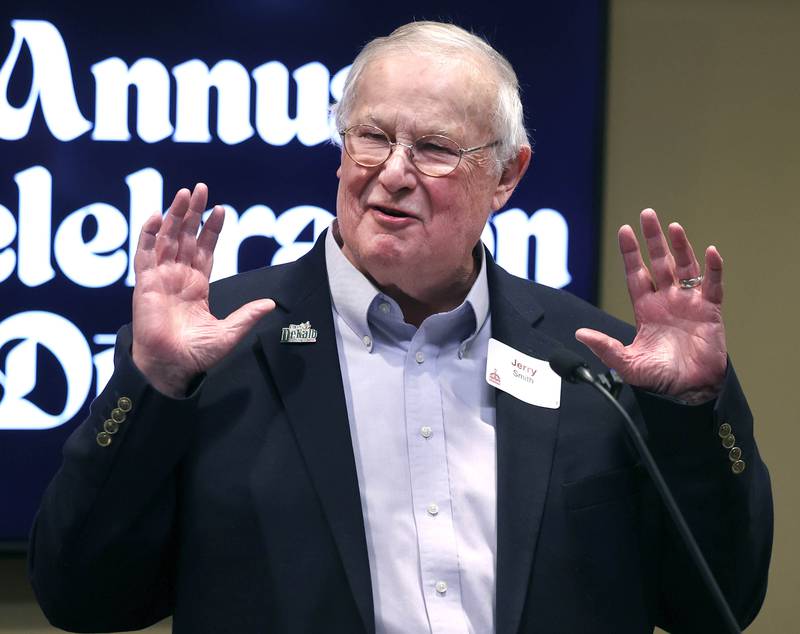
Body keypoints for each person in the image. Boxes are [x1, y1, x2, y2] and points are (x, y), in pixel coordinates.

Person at [29, 21, 771, 634]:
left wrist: (691, 413)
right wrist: (153, 385)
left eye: (436, 149)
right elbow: (81, 596)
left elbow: (721, 603)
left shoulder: (593, 367)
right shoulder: (218, 347)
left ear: (508, 176)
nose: (392, 172)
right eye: (372, 136)